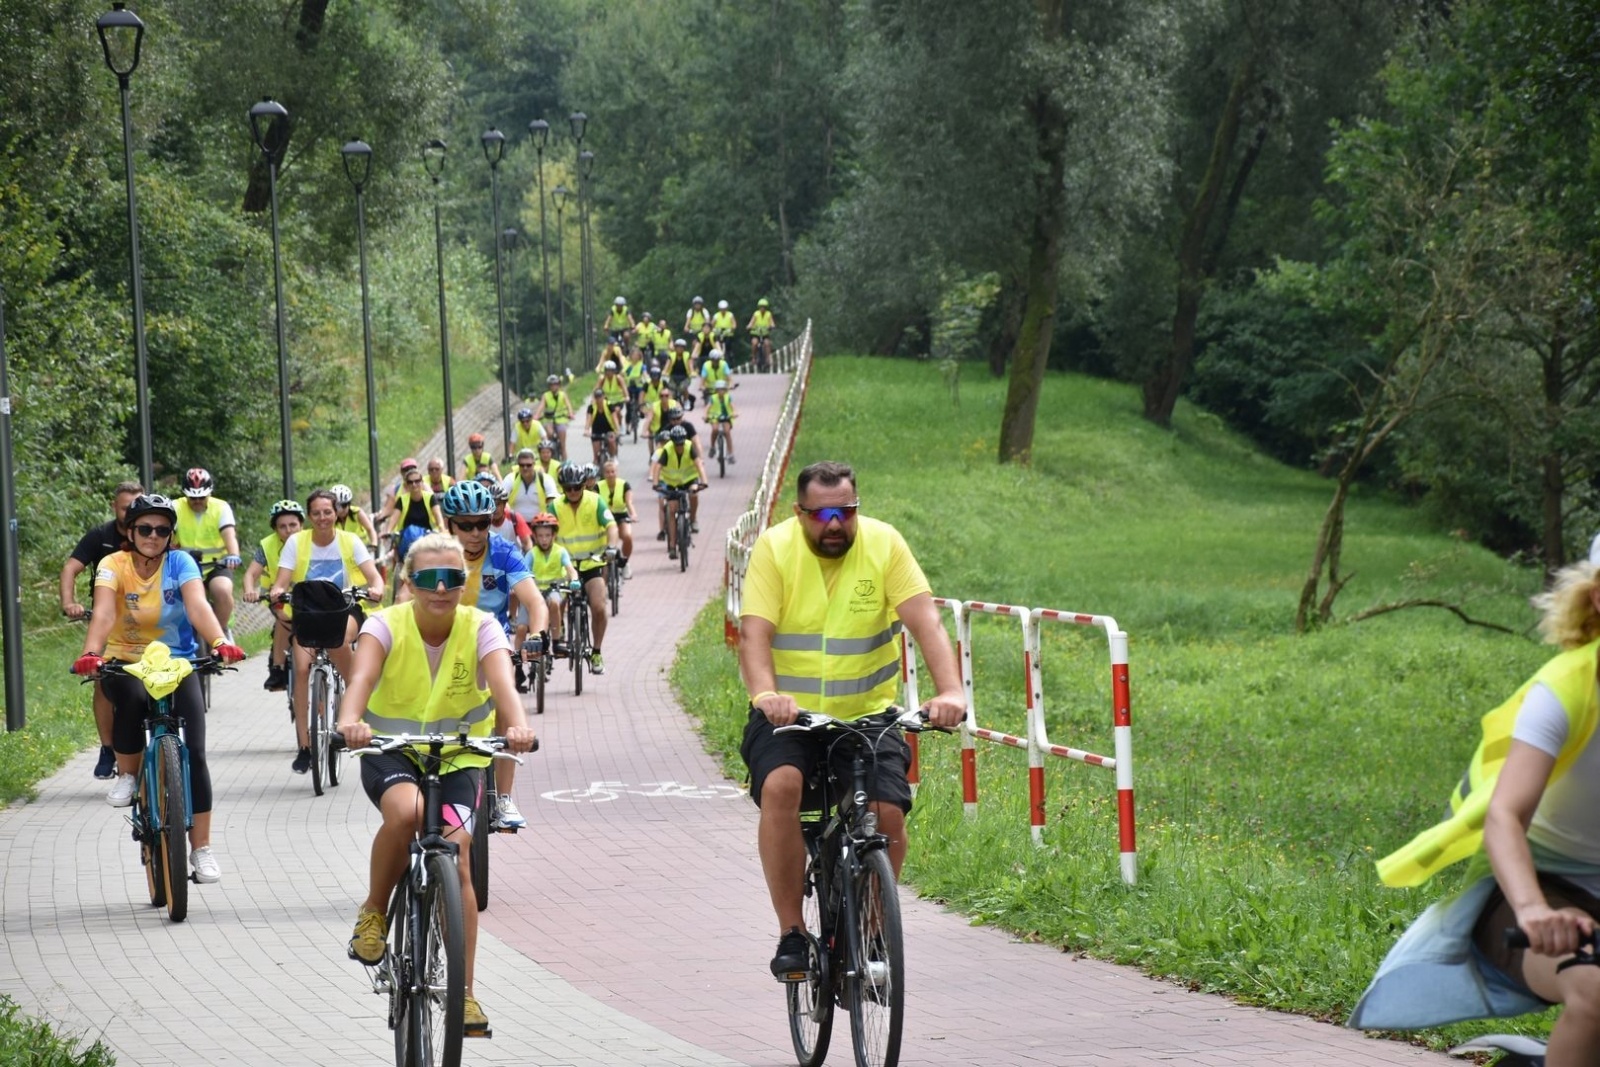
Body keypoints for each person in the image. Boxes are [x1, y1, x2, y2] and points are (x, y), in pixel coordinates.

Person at [1349, 557, 1600, 1065]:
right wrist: (1533, 910)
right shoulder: (1564, 690)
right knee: (1595, 993)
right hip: (1541, 885)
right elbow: (1504, 816)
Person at [736, 461, 965, 978]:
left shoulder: (885, 545)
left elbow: (926, 622)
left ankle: (872, 931)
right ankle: (793, 933)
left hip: (867, 716)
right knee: (781, 788)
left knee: (887, 814)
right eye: (822, 514)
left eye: (846, 511)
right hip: (790, 716)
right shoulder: (776, 548)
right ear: (800, 513)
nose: (835, 523)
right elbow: (755, 634)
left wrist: (949, 691)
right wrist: (766, 694)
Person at [337, 532, 537, 1037]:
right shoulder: (385, 625)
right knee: (405, 814)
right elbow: (360, 679)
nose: (441, 589)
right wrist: (351, 721)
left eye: (452, 579)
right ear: (408, 582)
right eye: (428, 579)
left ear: (464, 581)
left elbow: (505, 686)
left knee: (459, 853)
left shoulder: (482, 627)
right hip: (390, 752)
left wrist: (517, 727)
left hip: (458, 761)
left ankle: (463, 994)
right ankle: (375, 912)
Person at [72, 494, 246, 882]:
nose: (153, 536)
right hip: (125, 659)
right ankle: (128, 775)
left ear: (171, 534)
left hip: (176, 661)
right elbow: (102, 612)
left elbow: (198, 606)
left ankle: (201, 849)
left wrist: (219, 642)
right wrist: (91, 652)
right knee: (131, 698)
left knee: (196, 752)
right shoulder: (111, 564)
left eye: (162, 530)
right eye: (145, 529)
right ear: (130, 531)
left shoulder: (180, 563)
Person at [398, 482, 544, 822]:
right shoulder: (431, 552)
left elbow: (534, 600)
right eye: (466, 525)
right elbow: (404, 599)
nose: (476, 532)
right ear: (449, 524)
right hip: (442, 641)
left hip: (491, 643)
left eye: (483, 522)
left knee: (507, 705)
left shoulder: (504, 551)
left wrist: (536, 633)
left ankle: (504, 799)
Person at [270, 489, 385, 775]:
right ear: (309, 516)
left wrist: (376, 590)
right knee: (300, 668)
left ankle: (357, 710)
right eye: (317, 513)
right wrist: (276, 592)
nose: (322, 517)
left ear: (336, 513)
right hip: (308, 612)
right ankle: (305, 747)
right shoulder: (297, 542)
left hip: (345, 607)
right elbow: (281, 581)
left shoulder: (351, 541)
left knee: (341, 641)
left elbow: (373, 577)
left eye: (327, 511)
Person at [60, 479, 144, 779]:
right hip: (108, 619)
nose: (131, 514)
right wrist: (70, 602)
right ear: (114, 507)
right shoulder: (101, 536)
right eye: (125, 509)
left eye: (136, 507)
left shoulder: (153, 536)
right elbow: (71, 567)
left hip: (149, 621)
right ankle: (108, 748)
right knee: (102, 679)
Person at [552, 461, 620, 674]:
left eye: (577, 487)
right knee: (555, 600)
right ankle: (559, 632)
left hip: (592, 563)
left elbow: (611, 526)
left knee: (599, 607)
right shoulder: (555, 506)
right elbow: (543, 532)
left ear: (584, 485)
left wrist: (611, 547)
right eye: (567, 488)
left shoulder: (595, 501)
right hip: (565, 566)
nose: (572, 492)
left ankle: (596, 651)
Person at [241, 499, 306, 692]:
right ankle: (278, 668)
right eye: (282, 526)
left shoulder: (313, 540)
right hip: (279, 596)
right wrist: (249, 590)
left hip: (309, 594)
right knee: (284, 620)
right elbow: (251, 573)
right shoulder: (267, 545)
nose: (289, 530)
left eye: (293, 525)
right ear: (275, 529)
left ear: (302, 524)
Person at [174, 467, 243, 642]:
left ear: (209, 493)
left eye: (201, 497)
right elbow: (167, 536)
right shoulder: (175, 507)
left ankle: (220, 633)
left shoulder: (221, 507)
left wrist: (233, 554)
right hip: (185, 565)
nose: (197, 501)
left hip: (216, 565)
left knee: (222, 590)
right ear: (184, 494)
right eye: (192, 498)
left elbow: (229, 535)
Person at [648, 425, 708, 560]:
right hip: (672, 482)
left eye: (681, 443)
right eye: (677, 444)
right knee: (672, 510)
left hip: (689, 478)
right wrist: (656, 483)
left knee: (693, 493)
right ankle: (672, 545)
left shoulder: (689, 447)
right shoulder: (667, 449)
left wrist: (704, 481)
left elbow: (698, 463)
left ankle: (692, 519)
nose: (679, 446)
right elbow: (658, 467)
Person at [526, 512, 579, 657]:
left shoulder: (560, 552)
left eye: (547, 535)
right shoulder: (532, 553)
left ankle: (556, 643)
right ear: (535, 536)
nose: (544, 539)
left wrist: (574, 580)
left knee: (555, 603)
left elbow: (570, 570)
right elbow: (522, 572)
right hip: (536, 591)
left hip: (554, 590)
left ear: (554, 535)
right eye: (541, 536)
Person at [374, 459, 444, 566]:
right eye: (410, 482)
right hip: (406, 539)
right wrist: (388, 531)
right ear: (406, 484)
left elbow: (438, 516)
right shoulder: (402, 499)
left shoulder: (430, 497)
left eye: (417, 481)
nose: (414, 484)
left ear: (422, 482)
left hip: (427, 537)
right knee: (400, 563)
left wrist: (442, 529)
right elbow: (394, 517)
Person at [596, 459, 636, 579]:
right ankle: (605, 567)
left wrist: (633, 514)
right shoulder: (597, 486)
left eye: (612, 471)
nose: (610, 474)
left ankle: (625, 563)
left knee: (627, 536)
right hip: (605, 517)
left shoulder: (624, 485)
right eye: (607, 472)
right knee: (603, 543)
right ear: (604, 474)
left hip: (621, 516)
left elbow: (629, 502)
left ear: (616, 472)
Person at [533, 374, 575, 459]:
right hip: (549, 419)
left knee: (562, 440)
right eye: (551, 385)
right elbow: (541, 406)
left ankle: (565, 463)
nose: (553, 387)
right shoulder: (546, 395)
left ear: (558, 385)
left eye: (555, 384)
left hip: (561, 419)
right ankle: (549, 452)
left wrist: (570, 414)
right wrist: (536, 416)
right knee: (549, 433)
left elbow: (568, 405)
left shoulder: (563, 395)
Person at [705, 379, 738, 464]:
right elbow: (708, 407)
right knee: (715, 429)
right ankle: (712, 447)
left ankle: (730, 454)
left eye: (723, 389)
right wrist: (706, 415)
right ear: (716, 390)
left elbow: (732, 406)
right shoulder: (713, 398)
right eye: (719, 389)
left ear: (725, 390)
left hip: (726, 416)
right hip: (715, 416)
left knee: (727, 432)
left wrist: (734, 413)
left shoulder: (728, 397)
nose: (721, 391)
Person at [586, 387, 622, 464]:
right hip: (596, 430)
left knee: (611, 440)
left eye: (600, 396)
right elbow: (588, 420)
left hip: (609, 429)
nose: (599, 399)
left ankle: (613, 457)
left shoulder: (609, 405)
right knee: (596, 457)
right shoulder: (591, 407)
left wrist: (617, 430)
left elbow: (614, 418)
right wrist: (586, 430)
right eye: (597, 397)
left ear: (604, 396)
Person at [746, 297, 776, 370]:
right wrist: (749, 326)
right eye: (761, 307)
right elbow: (751, 322)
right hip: (756, 333)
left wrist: (772, 326)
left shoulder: (768, 314)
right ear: (759, 307)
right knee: (754, 343)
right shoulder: (756, 314)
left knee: (767, 343)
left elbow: (772, 323)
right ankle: (753, 358)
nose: (762, 309)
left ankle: (768, 359)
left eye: (764, 307)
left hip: (765, 334)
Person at [710, 299, 737, 367]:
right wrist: (713, 329)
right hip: (719, 334)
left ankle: (730, 360)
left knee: (729, 348)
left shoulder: (730, 315)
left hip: (728, 334)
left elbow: (734, 324)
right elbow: (711, 325)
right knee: (716, 345)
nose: (723, 310)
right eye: (722, 309)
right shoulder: (716, 315)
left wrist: (731, 329)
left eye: (724, 309)